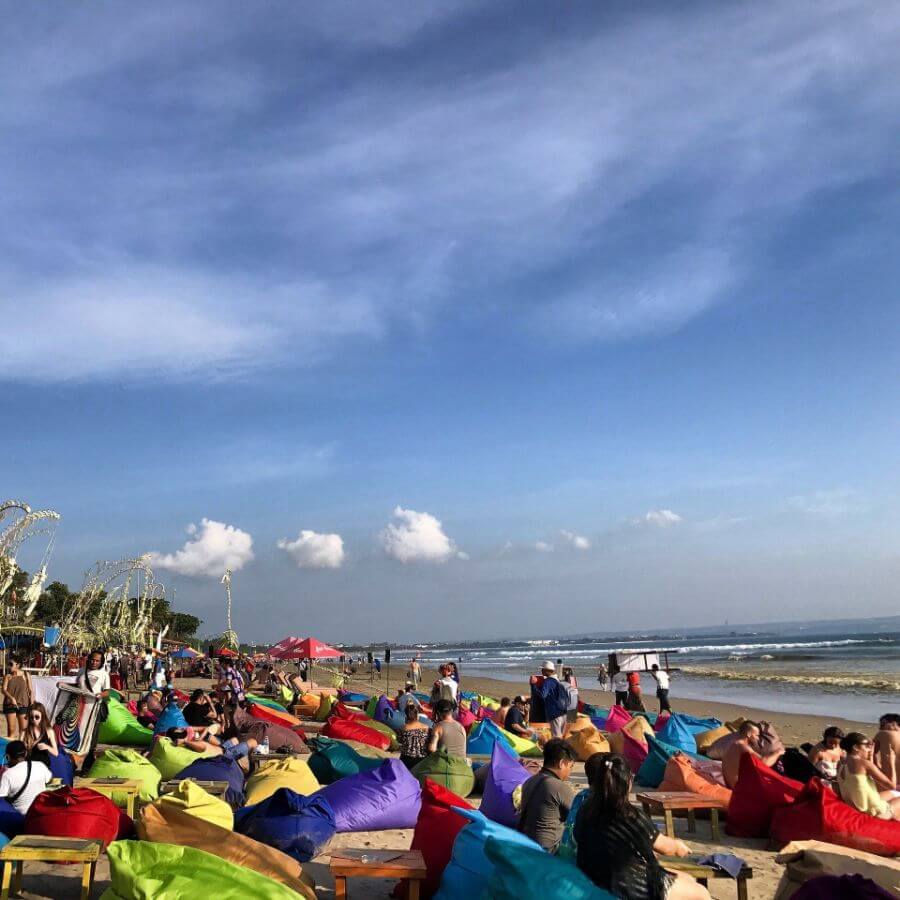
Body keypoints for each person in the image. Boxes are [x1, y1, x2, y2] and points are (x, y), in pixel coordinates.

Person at [575, 753, 709, 900]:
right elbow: (667, 848)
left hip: (594, 877)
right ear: (628, 782)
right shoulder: (630, 816)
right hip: (632, 887)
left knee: (687, 879)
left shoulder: (585, 810)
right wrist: (679, 846)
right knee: (701, 893)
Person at [517, 738, 577, 851]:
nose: (570, 772)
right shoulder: (559, 787)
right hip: (548, 850)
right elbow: (576, 817)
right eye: (570, 766)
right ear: (561, 763)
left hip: (525, 843)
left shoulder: (529, 781)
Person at [837, 732, 900, 819]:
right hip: (875, 811)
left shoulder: (841, 764)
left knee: (895, 793)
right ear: (855, 747)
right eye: (866, 746)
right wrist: (891, 762)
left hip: (856, 806)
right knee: (895, 792)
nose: (869, 749)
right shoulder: (864, 764)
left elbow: (859, 777)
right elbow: (891, 785)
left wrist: (871, 755)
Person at [723, 721, 784, 789]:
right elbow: (764, 763)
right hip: (738, 788)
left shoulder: (733, 745)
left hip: (730, 784)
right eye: (757, 735)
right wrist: (777, 753)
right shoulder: (742, 747)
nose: (758, 738)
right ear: (749, 734)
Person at [0, 740, 52, 815]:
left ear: (8, 757)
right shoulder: (40, 765)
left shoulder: (7, 775)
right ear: (26, 753)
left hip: (21, 817)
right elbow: (48, 779)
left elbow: (1, 799)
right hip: (40, 813)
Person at [530, 661, 570, 739]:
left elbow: (542, 695)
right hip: (563, 712)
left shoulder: (548, 681)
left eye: (543, 669)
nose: (541, 671)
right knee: (561, 735)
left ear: (547, 670)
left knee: (556, 737)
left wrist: (533, 685)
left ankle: (556, 751)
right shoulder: (557, 680)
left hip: (555, 713)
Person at [3, 655, 33, 739]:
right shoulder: (8, 676)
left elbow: (31, 691)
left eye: (11, 664)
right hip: (10, 705)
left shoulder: (26, 675)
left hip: (24, 705)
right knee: (11, 732)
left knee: (23, 732)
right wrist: (11, 698)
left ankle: (22, 751)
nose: (9, 666)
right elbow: (3, 690)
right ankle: (10, 751)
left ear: (18, 665)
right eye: (8, 664)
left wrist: (33, 704)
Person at [398, 702, 430, 769]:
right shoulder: (426, 727)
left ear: (406, 716)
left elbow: (400, 741)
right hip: (421, 759)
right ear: (417, 715)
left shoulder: (404, 728)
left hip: (406, 758)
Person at [874, 714, 900, 787]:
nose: (880, 728)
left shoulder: (882, 734)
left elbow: (871, 752)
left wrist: (877, 767)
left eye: (882, 725)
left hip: (889, 781)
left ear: (894, 724)